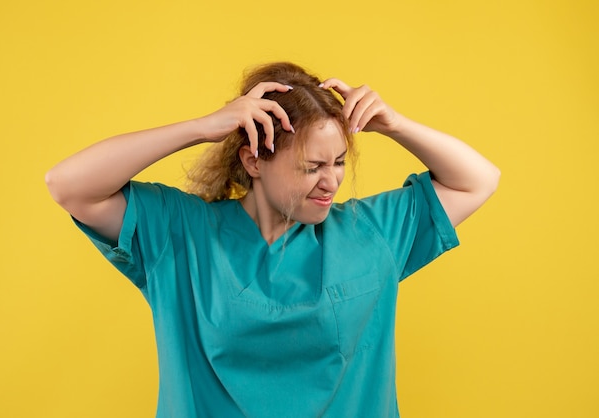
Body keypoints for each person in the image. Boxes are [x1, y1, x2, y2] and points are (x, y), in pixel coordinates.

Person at [46, 62, 500, 418]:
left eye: (339, 162)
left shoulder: (371, 233)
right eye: (311, 167)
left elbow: (478, 180)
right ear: (254, 161)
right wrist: (202, 127)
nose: (331, 183)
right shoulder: (179, 235)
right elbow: (67, 184)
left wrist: (396, 124)